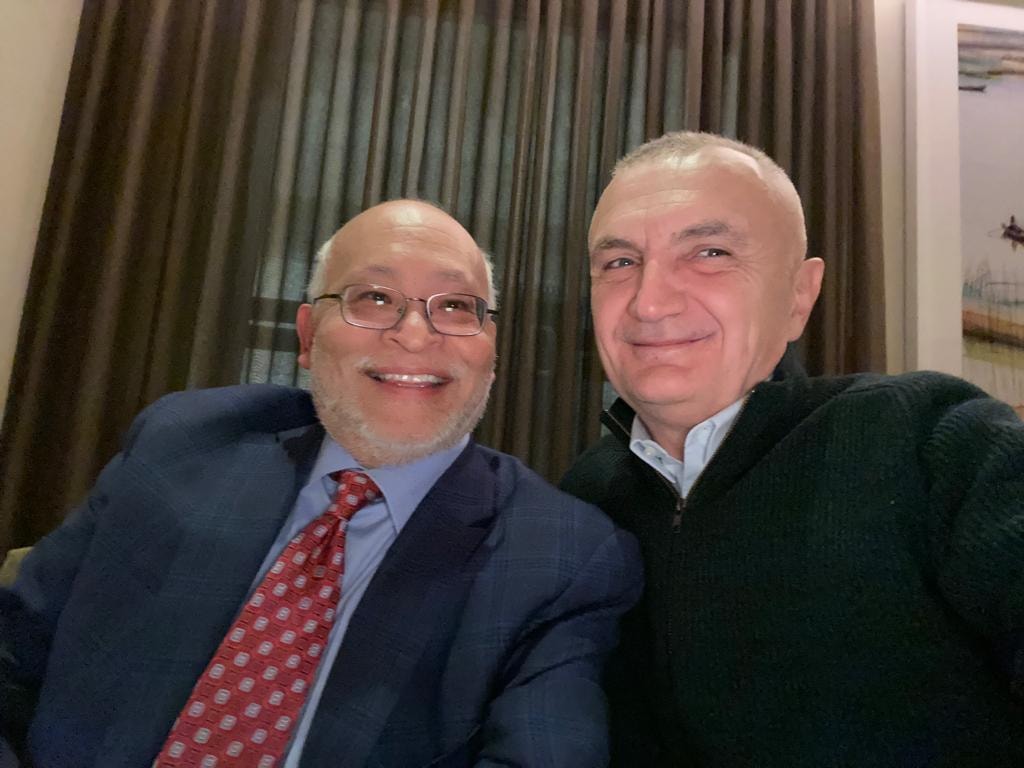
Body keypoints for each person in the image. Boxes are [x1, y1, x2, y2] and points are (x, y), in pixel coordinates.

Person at [0, 200, 642, 768]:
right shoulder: (185, 444)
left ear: (490, 349)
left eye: (454, 306)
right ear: (307, 337)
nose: (414, 335)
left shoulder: (564, 556)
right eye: (375, 298)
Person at [561, 131, 1024, 766]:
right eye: (619, 262)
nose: (649, 301)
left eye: (711, 252)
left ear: (799, 296)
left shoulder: (930, 439)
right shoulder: (582, 500)